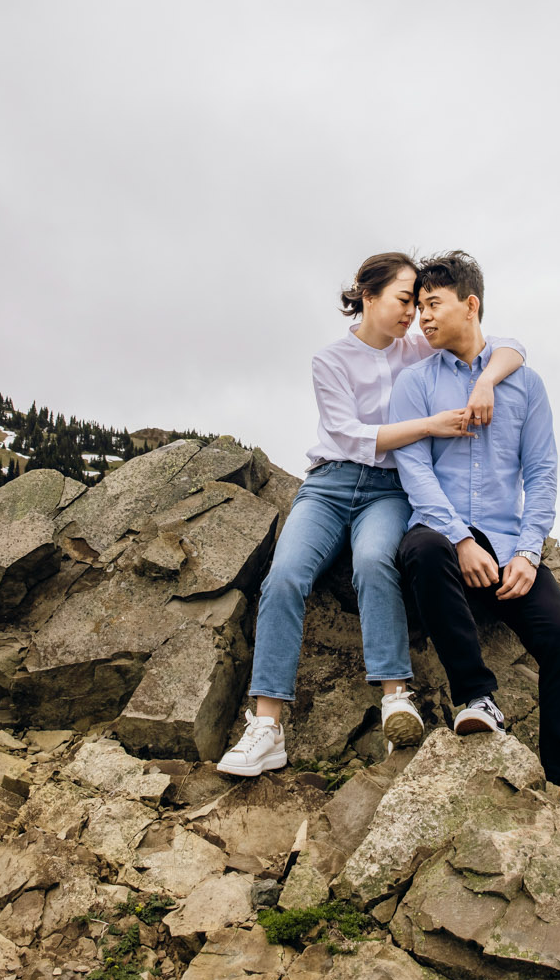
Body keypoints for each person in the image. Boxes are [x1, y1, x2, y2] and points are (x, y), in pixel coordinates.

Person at [216, 252, 529, 777]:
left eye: (418, 302)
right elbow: (348, 436)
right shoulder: (330, 360)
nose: (413, 313)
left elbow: (513, 347)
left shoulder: (419, 350)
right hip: (329, 484)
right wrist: (430, 425)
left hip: (390, 489)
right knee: (286, 576)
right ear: (368, 295)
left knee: (374, 564)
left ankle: (395, 697)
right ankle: (266, 727)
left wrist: (484, 382)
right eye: (404, 300)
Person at [388, 250, 560, 822]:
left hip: (510, 543)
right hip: (441, 538)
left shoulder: (523, 385)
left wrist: (528, 553)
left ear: (471, 305)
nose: (424, 318)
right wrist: (461, 540)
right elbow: (414, 471)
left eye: (433, 305)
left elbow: (541, 473)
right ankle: (476, 695)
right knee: (421, 548)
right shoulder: (415, 384)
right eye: (419, 308)